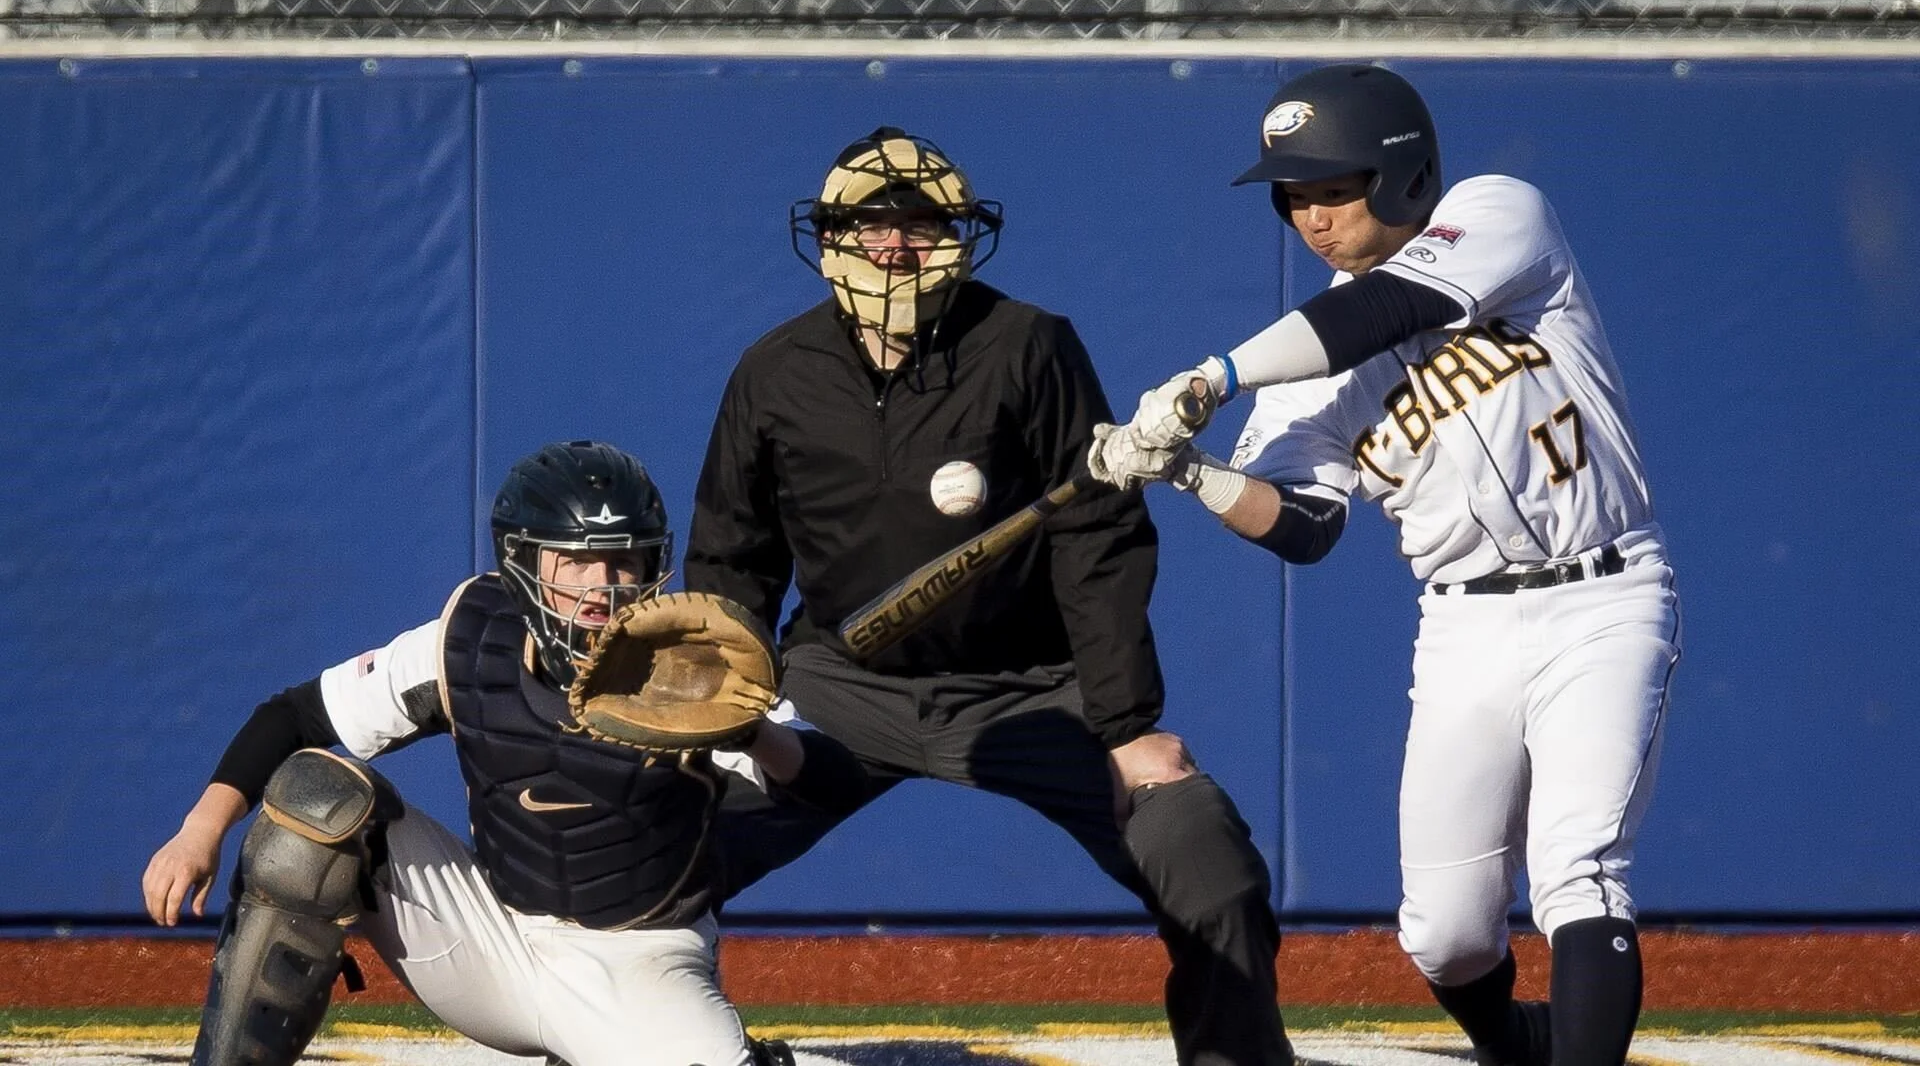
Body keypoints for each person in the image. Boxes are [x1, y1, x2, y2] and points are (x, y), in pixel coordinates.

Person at [1089, 64, 1682, 1066]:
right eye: (1295, 196)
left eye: (1335, 187)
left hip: (1604, 595)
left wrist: (1214, 376)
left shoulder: (1498, 214)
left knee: (1578, 870)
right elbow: (1305, 525)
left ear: (1404, 174)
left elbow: (1381, 312)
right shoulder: (1299, 381)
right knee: (1445, 935)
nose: (1313, 217)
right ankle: (1516, 1045)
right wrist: (1191, 472)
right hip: (1464, 625)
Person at [684, 126, 1294, 1066]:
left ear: (960, 237)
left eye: (920, 225)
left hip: (1034, 690)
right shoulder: (774, 372)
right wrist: (723, 705)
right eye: (869, 224)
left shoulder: (1027, 347)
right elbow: (733, 556)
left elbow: (1099, 535)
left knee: (1201, 851)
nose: (894, 246)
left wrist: (1127, 726)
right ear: (829, 239)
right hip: (841, 685)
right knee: (658, 845)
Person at [142, 440, 860, 1066]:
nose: (600, 587)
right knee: (317, 801)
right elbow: (296, 716)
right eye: (574, 562)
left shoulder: (697, 670)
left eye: (621, 562)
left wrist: (751, 732)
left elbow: (823, 783)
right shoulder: (472, 639)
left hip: (641, 963)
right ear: (523, 563)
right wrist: (199, 831)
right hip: (492, 935)